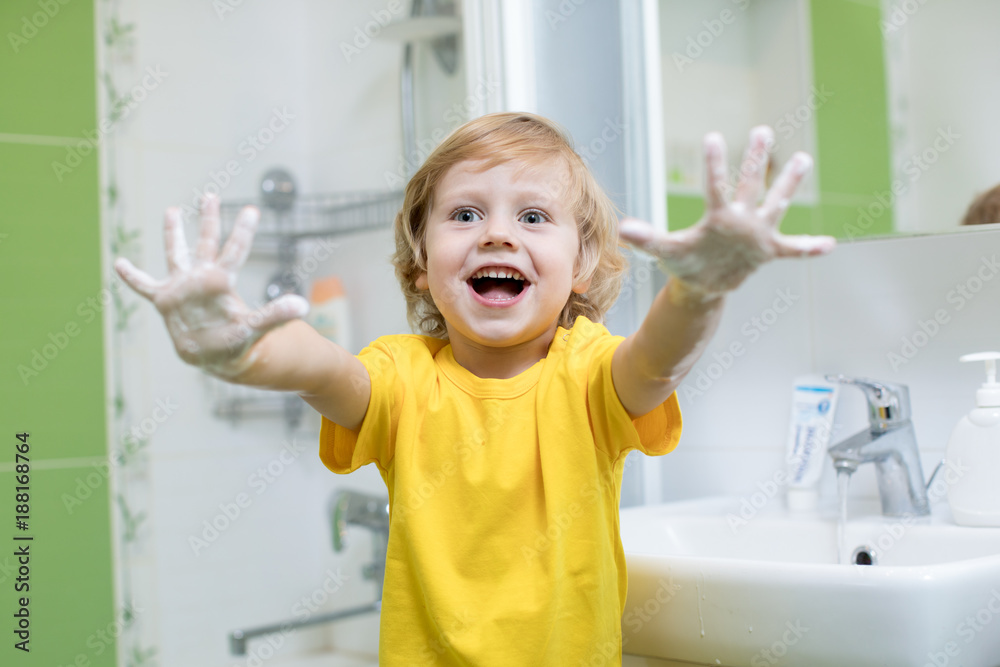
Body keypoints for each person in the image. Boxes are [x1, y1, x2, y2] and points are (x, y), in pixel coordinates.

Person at [114, 112, 835, 665]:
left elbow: (654, 364)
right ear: (422, 263)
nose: (496, 234)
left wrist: (699, 290)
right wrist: (242, 353)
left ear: (581, 262)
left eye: (532, 216)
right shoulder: (403, 376)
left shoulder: (586, 371)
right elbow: (322, 366)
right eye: (465, 214)